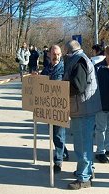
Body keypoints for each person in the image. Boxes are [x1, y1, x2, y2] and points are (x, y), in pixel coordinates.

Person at [63, 40, 101, 190]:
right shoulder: (81, 59)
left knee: (82, 144)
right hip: (84, 108)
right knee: (85, 142)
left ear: (68, 51)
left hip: (82, 109)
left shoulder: (78, 62)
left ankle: (83, 178)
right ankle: (86, 171)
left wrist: (61, 88)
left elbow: (78, 86)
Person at [41, 45, 69, 173]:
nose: (56, 56)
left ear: (61, 54)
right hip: (48, 107)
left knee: (58, 133)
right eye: (54, 54)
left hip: (60, 107)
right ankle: (64, 152)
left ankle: (58, 161)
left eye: (58, 54)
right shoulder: (47, 68)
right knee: (53, 133)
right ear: (49, 55)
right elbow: (41, 81)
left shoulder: (64, 68)